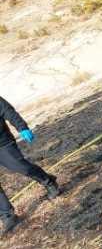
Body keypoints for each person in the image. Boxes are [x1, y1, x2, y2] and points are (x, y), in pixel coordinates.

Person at [0, 95, 60, 234]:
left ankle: (48, 181)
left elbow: (8, 111)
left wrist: (22, 127)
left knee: (20, 166)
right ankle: (7, 215)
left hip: (2, 143)